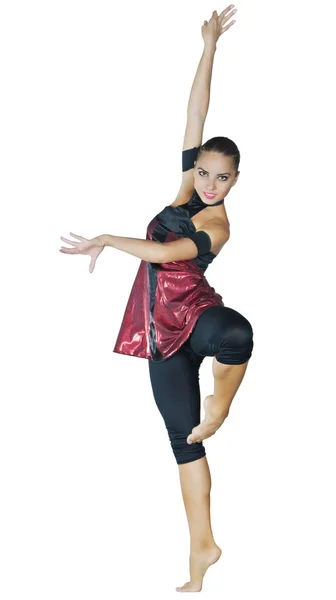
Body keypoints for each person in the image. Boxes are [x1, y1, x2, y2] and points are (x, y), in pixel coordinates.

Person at [59, 5, 253, 593]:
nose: (209, 184)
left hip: (195, 320)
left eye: (222, 178)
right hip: (158, 336)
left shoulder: (218, 224)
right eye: (205, 173)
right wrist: (209, 46)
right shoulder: (184, 186)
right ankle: (203, 548)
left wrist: (110, 240)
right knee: (181, 443)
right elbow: (196, 111)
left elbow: (169, 257)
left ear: (234, 182)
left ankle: (220, 406)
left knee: (236, 333)